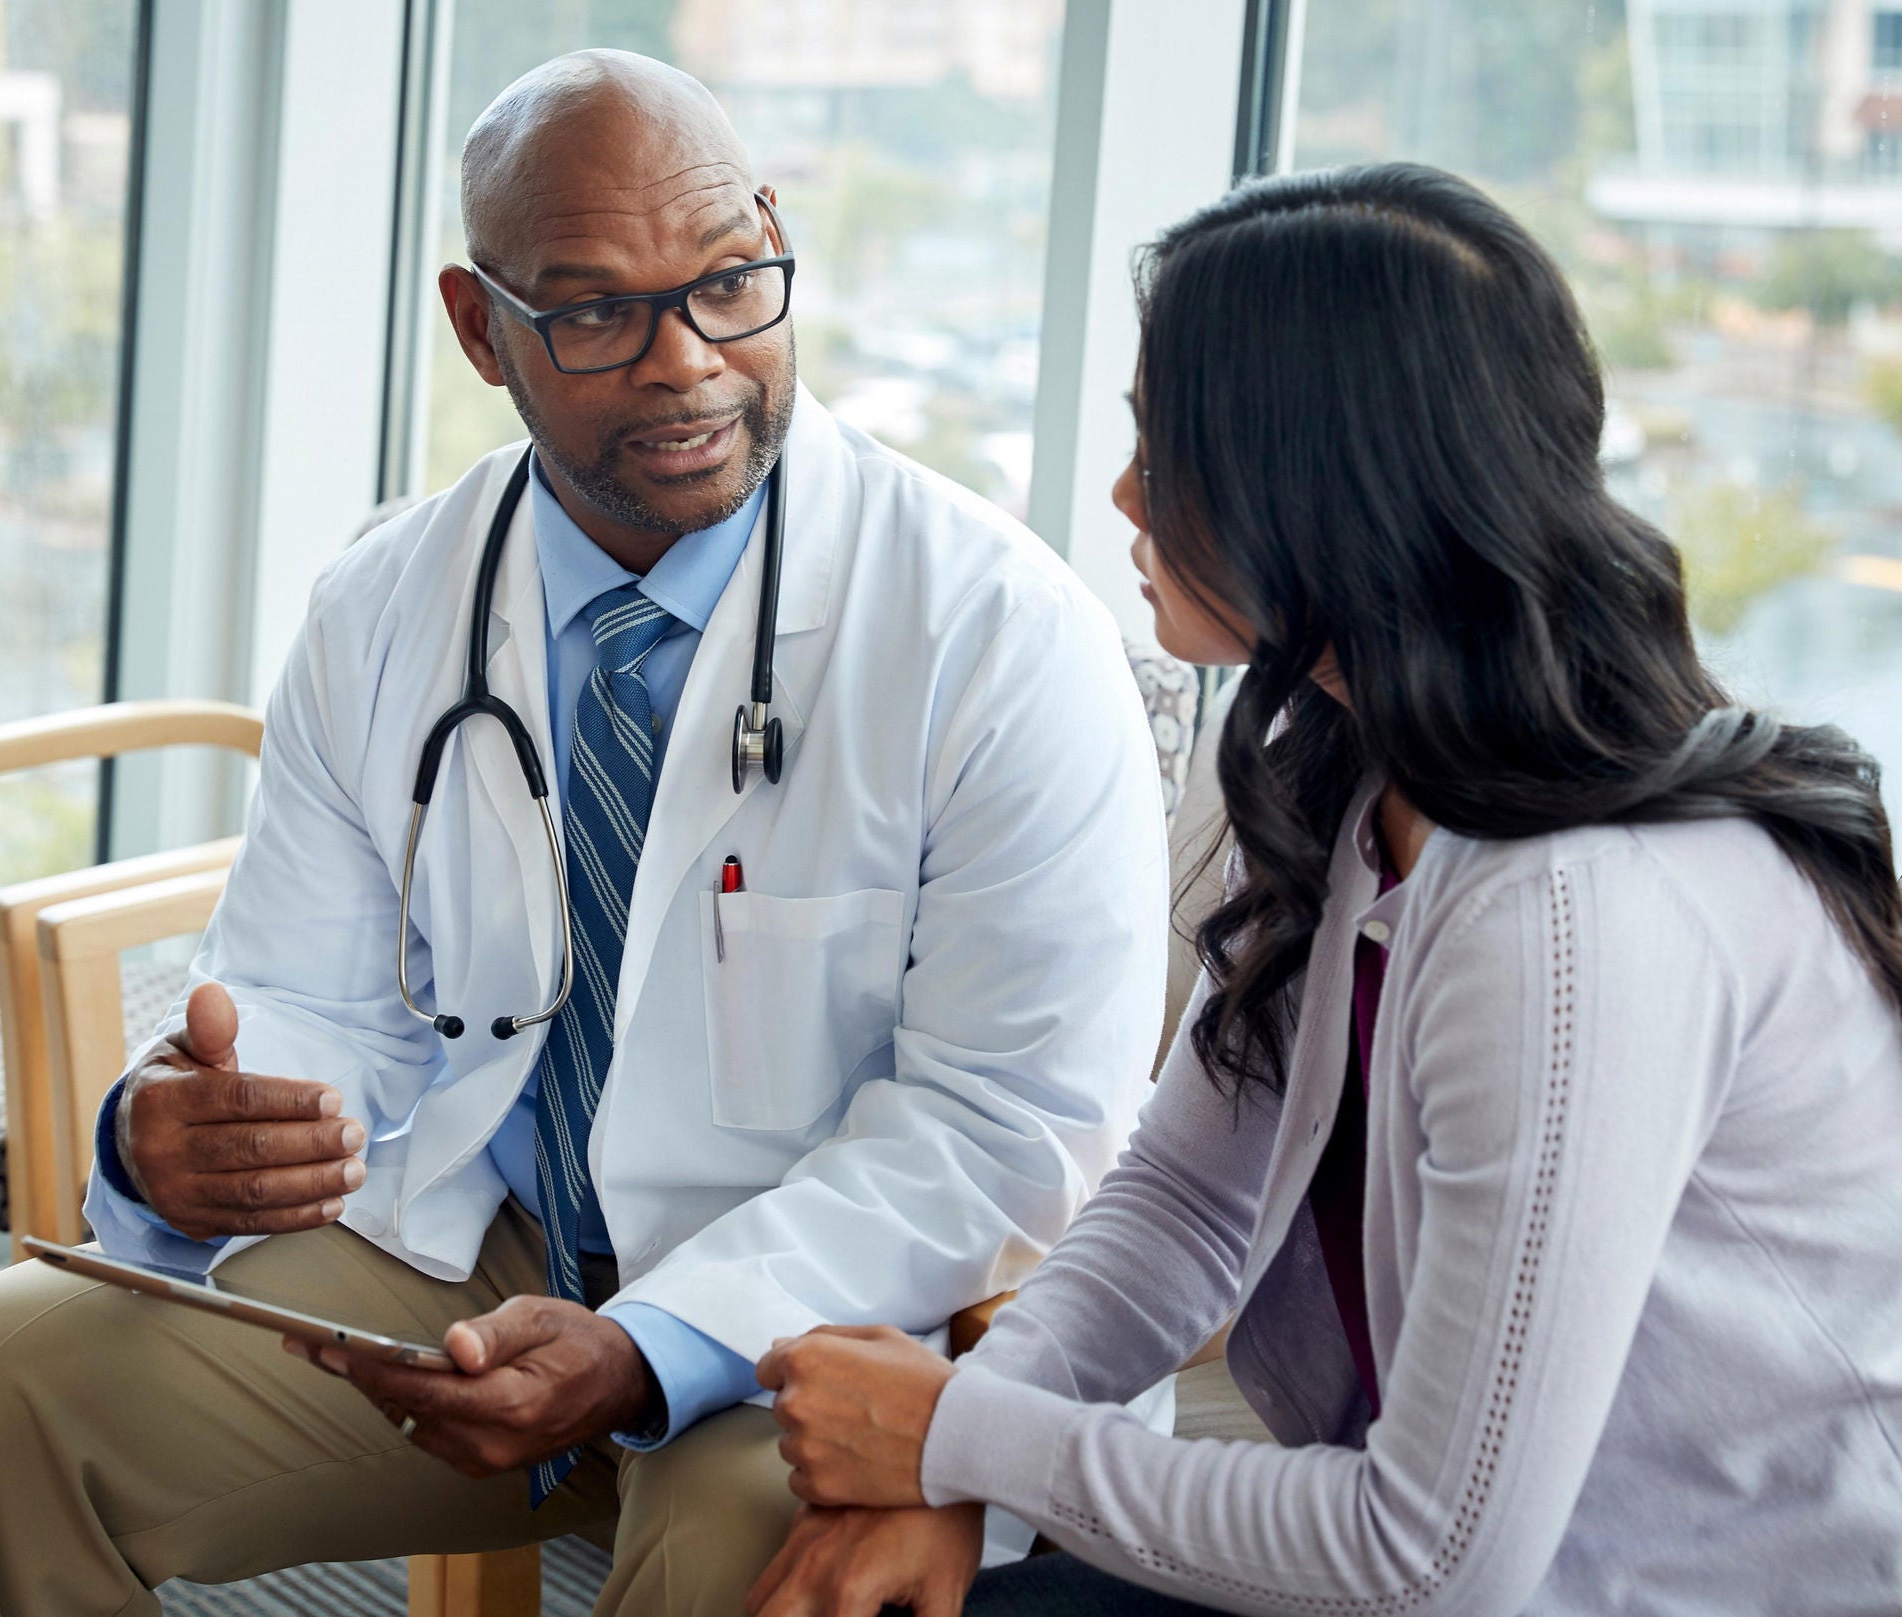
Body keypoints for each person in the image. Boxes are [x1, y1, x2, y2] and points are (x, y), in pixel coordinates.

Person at [0, 51, 1173, 1617]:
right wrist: (183, 1137)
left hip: (833, 1317)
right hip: (483, 1258)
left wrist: (650, 1342)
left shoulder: (997, 633)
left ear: (774, 235)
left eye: (728, 283)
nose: (687, 361)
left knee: (739, 1538)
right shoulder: (386, 600)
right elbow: (307, 1002)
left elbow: (1012, 1127)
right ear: (480, 328)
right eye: (597, 311)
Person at [749, 163, 1902, 1616]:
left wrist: (962, 1437)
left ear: (1325, 486)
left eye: (1169, 448)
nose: (1124, 493)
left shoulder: (1574, 913)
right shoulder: (1353, 772)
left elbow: (1432, 1561)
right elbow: (1184, 1198)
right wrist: (957, 1465)